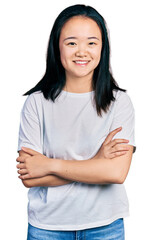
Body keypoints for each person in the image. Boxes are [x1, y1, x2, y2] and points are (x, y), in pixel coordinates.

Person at [16, 4, 136, 240]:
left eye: (92, 42)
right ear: (57, 47)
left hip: (106, 226)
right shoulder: (36, 103)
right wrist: (96, 163)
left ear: (103, 48)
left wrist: (49, 165)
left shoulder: (119, 102)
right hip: (46, 228)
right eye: (71, 43)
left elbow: (116, 172)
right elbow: (30, 176)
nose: (82, 51)